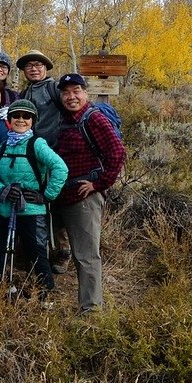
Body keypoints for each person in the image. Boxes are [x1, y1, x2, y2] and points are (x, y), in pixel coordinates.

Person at [52, 73, 126, 314]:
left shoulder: (93, 119)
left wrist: (99, 185)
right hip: (62, 195)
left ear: (85, 93)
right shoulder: (65, 119)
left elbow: (117, 153)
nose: (71, 97)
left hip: (84, 197)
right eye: (66, 92)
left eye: (76, 91)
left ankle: (91, 310)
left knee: (85, 255)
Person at [0, 99, 68, 299]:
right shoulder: (2, 147)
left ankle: (46, 297)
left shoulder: (37, 144)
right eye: (16, 116)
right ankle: (2, 291)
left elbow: (60, 168)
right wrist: (2, 190)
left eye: (26, 116)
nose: (21, 120)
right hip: (4, 210)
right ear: (9, 120)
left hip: (32, 211)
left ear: (33, 120)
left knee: (36, 254)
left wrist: (46, 195)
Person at [15, 49, 71, 273]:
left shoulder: (53, 88)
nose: (34, 68)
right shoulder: (25, 92)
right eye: (29, 66)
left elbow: (71, 109)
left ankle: (62, 252)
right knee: (34, 202)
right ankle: (37, 252)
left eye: (38, 65)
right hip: (31, 157)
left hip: (53, 153)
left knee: (55, 203)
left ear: (46, 68)